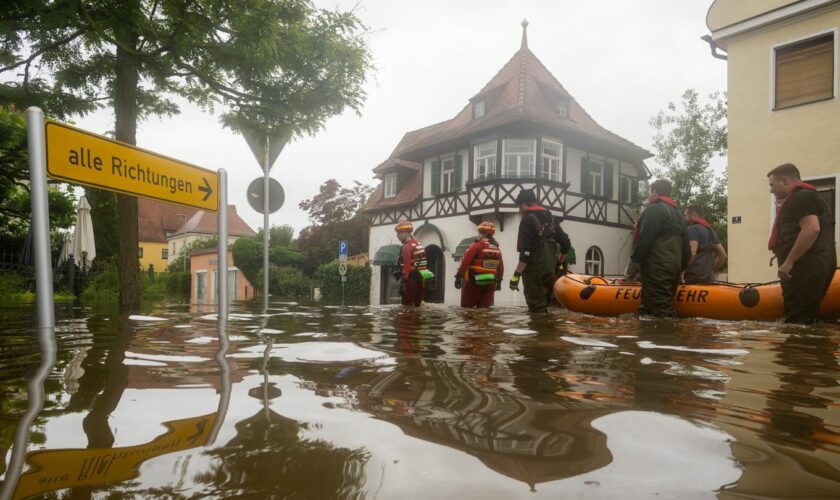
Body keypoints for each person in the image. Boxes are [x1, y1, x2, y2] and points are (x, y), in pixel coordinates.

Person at [767, 163, 836, 324]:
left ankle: (796, 350)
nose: (771, 190)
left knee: (797, 322)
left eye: (772, 185)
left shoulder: (800, 197)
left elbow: (812, 229)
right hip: (814, 266)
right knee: (807, 319)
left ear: (784, 180)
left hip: (804, 269)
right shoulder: (809, 197)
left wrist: (788, 262)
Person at [630, 179, 690, 317]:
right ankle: (648, 336)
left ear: (654, 192)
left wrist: (635, 262)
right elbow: (686, 249)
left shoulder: (654, 210)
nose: (648, 196)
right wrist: (680, 268)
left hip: (656, 269)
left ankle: (668, 336)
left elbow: (645, 241)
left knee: (662, 310)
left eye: (649, 192)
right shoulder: (679, 215)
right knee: (648, 310)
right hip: (673, 270)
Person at [509, 189, 571, 313]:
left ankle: (539, 332)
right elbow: (566, 244)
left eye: (519, 207)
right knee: (545, 308)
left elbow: (526, 252)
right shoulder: (551, 219)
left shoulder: (527, 219)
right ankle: (547, 332)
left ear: (523, 204)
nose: (519, 211)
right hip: (550, 274)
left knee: (536, 311)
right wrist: (558, 263)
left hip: (534, 273)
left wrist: (516, 276)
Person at [454, 222, 504, 308]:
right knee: (484, 311)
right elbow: (501, 267)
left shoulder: (477, 245)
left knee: (467, 310)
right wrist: (499, 282)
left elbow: (465, 262)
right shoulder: (496, 248)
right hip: (490, 283)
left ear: (481, 233)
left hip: (474, 282)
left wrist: (458, 277)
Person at [682, 204, 727, 283]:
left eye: (685, 215)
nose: (684, 218)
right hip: (709, 279)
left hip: (694, 278)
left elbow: (692, 253)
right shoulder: (711, 231)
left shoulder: (692, 229)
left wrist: (681, 271)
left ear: (693, 214)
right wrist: (712, 269)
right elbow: (723, 255)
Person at [393, 220, 433, 306]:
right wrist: (400, 272)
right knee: (417, 308)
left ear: (405, 233)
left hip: (411, 281)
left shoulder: (406, 247)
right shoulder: (418, 243)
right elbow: (419, 263)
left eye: (399, 233)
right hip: (423, 280)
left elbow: (407, 267)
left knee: (406, 309)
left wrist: (402, 283)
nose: (397, 236)